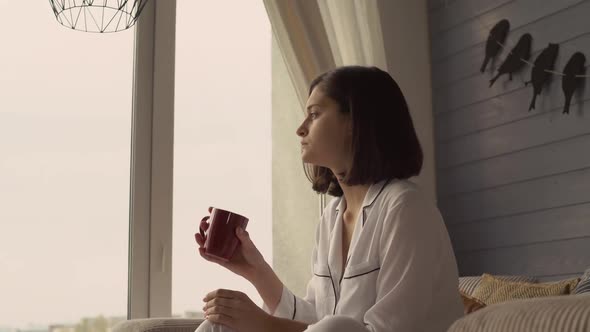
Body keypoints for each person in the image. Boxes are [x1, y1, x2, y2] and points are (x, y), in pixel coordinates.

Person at [194, 66, 464, 332]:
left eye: (314, 114)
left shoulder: (406, 208)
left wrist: (266, 325)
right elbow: (314, 319)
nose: (301, 129)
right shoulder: (332, 216)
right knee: (218, 324)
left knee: (334, 327)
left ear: (354, 121)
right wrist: (255, 270)